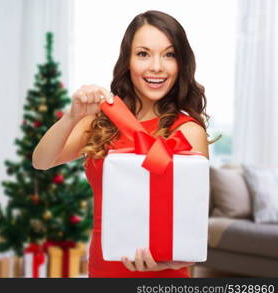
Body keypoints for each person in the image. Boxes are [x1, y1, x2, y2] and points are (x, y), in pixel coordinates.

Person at [32, 10, 209, 278]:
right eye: (143, 54)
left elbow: (190, 226)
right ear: (127, 60)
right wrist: (72, 116)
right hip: (104, 269)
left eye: (169, 54)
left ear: (181, 63)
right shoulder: (103, 120)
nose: (157, 66)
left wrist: (169, 263)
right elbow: (41, 161)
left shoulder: (188, 132)